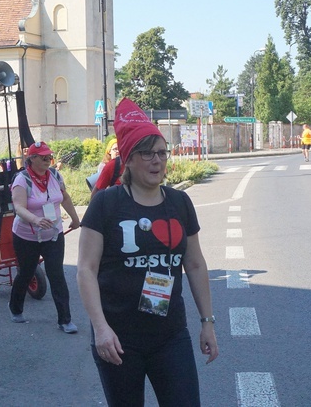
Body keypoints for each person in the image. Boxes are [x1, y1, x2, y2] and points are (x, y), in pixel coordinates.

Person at [77, 98, 219, 406]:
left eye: (161, 153)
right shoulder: (107, 203)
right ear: (127, 159)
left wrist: (207, 322)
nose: (157, 161)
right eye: (146, 153)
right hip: (118, 338)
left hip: (170, 334)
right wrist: (100, 329)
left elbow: (194, 264)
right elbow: (86, 269)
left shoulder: (180, 203)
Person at [8, 141, 80, 332]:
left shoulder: (55, 175)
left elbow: (64, 197)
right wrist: (35, 220)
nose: (48, 160)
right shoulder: (21, 179)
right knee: (26, 272)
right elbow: (19, 207)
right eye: (43, 157)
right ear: (31, 159)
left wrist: (74, 218)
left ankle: (65, 320)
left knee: (56, 275)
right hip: (26, 237)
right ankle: (15, 309)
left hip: (53, 234)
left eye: (49, 156)